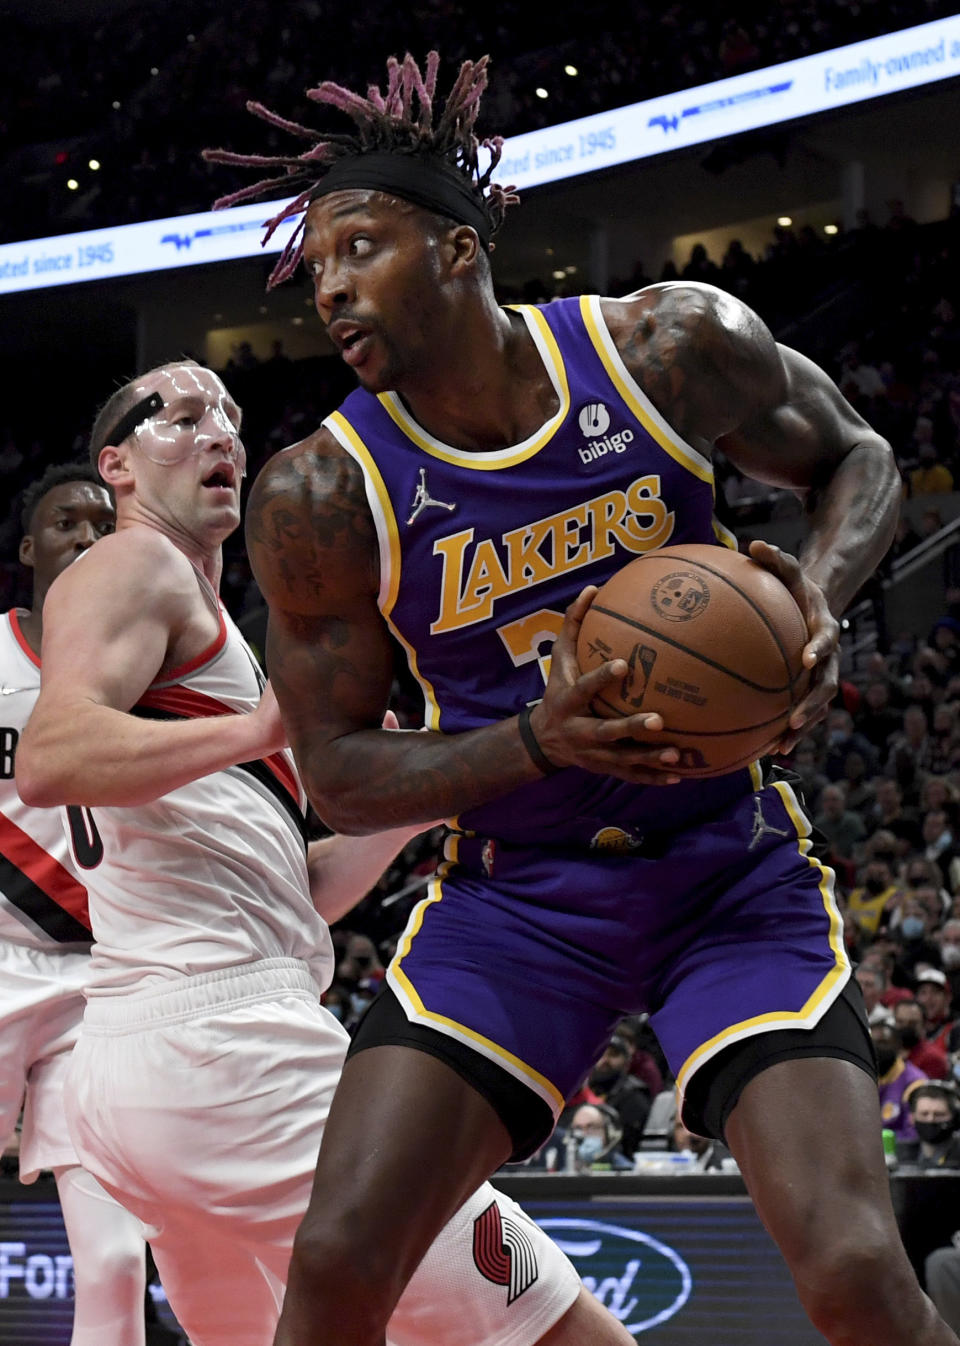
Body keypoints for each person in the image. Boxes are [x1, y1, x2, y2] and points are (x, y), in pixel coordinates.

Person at [216, 50, 957, 1346]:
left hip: (727, 872)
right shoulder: (321, 496)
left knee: (850, 1265)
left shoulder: (665, 350)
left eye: (361, 247)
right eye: (317, 265)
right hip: (519, 895)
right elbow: (335, 773)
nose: (329, 285)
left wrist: (819, 605)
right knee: (336, 1261)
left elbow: (861, 457)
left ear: (457, 253)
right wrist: (532, 739)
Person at [16, 362, 630, 1346]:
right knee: (563, 1331)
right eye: (180, 415)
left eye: (229, 415)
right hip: (228, 1051)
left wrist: (432, 795)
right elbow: (50, 758)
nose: (218, 430)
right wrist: (263, 726)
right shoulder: (138, 565)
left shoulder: (203, 631)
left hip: (163, 1058)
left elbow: (298, 893)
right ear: (116, 465)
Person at [0, 463, 148, 1346]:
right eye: (68, 524)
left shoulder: (166, 674)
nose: (91, 537)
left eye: (107, 524)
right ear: (28, 550)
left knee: (116, 1262)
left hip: (98, 986)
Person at [900, 1083, 960, 1167]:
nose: (930, 1119)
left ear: (955, 1117)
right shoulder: (900, 1155)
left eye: (939, 1114)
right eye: (924, 1114)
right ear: (912, 1118)